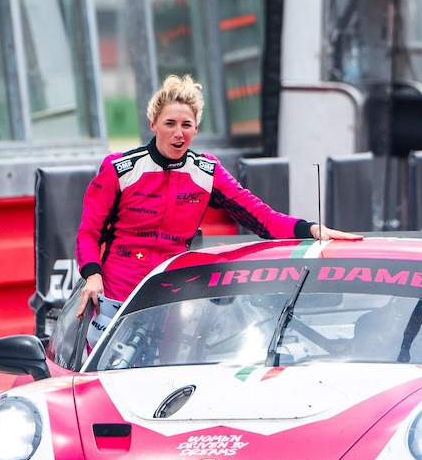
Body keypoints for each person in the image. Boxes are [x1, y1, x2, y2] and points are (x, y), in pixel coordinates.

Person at [75, 74, 360, 341]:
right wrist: (92, 276)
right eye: (170, 123)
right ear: (154, 125)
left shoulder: (207, 172)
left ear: (196, 128)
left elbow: (261, 218)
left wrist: (312, 229)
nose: (178, 133)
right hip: (117, 289)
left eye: (186, 125)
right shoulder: (119, 168)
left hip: (170, 290)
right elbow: (88, 233)